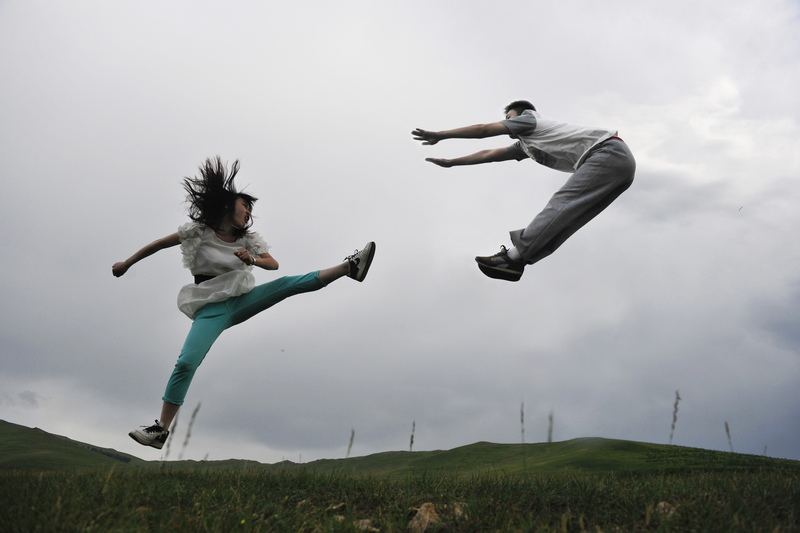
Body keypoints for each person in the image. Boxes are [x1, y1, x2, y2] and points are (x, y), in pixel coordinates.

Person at [112, 157, 376, 449]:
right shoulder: (198, 232)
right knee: (186, 362)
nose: (249, 212)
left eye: (250, 209)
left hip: (240, 299)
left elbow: (273, 264)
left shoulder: (248, 239)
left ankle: (349, 267)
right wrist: (127, 263)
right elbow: (158, 244)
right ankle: (160, 430)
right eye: (245, 206)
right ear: (228, 206)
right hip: (209, 308)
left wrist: (252, 259)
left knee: (286, 284)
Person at [412, 100, 635, 282]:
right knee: (570, 215)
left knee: (563, 202)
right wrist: (452, 162)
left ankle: (511, 258)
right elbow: (489, 154)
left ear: (521, 115)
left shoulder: (529, 121)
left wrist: (441, 135)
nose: (507, 123)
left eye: (508, 118)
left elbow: (483, 130)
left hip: (606, 153)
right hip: (620, 166)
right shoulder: (526, 145)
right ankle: (517, 262)